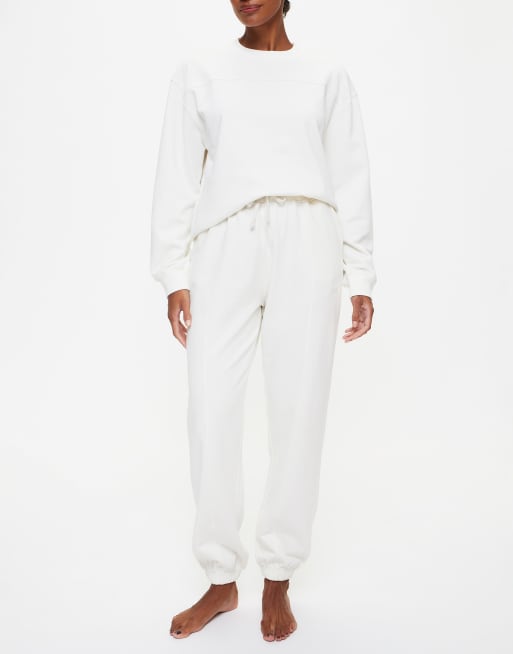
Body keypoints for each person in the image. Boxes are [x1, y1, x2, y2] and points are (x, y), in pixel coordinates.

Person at [150, 0, 376, 642]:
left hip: (309, 238)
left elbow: (351, 174)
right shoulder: (199, 70)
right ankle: (221, 578)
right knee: (210, 408)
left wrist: (361, 273)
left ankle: (278, 575)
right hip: (224, 242)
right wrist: (174, 273)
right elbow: (176, 176)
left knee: (299, 409)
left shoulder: (326, 72)